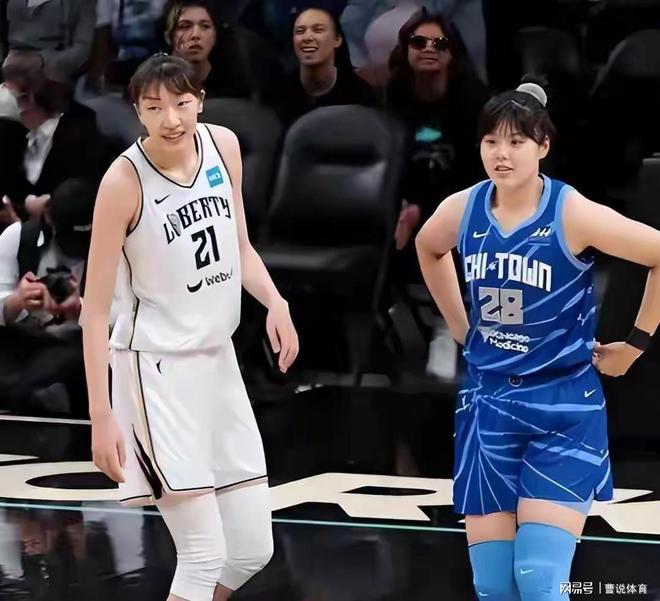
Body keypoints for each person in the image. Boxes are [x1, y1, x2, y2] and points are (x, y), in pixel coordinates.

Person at [415, 79, 660, 600]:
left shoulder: (573, 213)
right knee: (493, 585)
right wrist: (460, 326)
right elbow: (427, 246)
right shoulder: (463, 208)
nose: (501, 154)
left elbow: (658, 253)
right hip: (488, 404)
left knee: (538, 578)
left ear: (543, 146)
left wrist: (635, 344)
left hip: (562, 407)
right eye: (491, 142)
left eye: (516, 141)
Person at [81, 54, 299, 601]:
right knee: (202, 557)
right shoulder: (123, 182)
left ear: (200, 100)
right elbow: (94, 310)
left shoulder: (223, 146)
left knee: (250, 551)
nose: (171, 118)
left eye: (181, 103)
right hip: (156, 371)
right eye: (154, 107)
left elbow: (240, 246)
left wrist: (275, 302)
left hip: (217, 362)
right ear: (137, 112)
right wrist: (101, 416)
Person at [0, 178, 95, 417]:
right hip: (21, 342)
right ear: (50, 220)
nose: (75, 250)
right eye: (69, 240)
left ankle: (34, 393)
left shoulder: (114, 247)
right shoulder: (18, 238)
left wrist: (79, 309)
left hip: (78, 347)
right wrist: (17, 301)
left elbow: (125, 315)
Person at [267, 7, 376, 126]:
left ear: (337, 39)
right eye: (300, 31)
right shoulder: (280, 94)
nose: (308, 38)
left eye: (318, 30)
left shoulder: (360, 94)